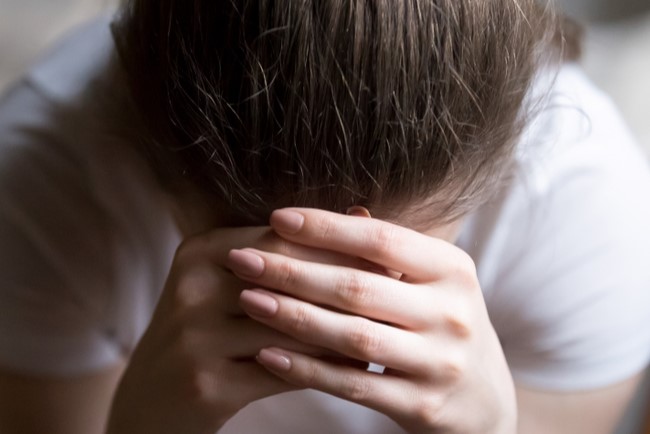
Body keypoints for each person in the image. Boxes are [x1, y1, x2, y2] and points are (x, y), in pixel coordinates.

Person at [1, 1, 649, 433]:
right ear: (152, 162)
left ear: (489, 178)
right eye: (255, 256)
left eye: (381, 263)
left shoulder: (590, 209)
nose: (328, 315)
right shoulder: (37, 181)